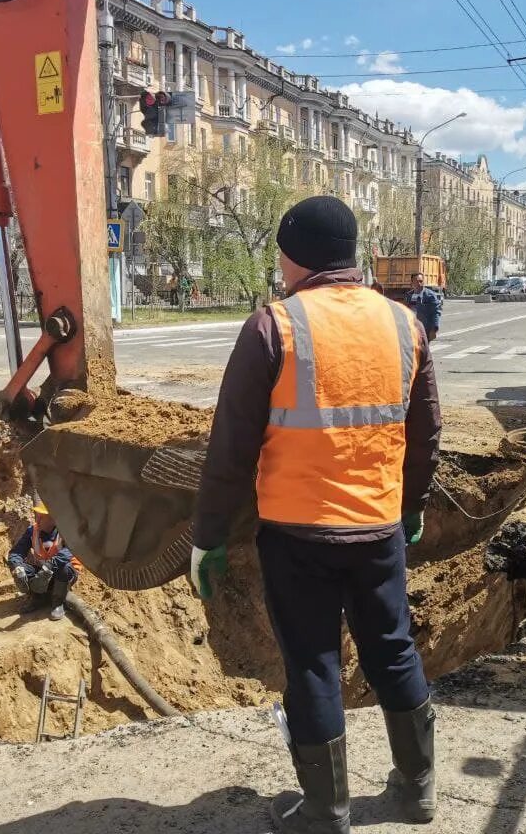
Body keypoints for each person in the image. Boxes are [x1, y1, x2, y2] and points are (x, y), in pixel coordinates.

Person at [190, 195, 442, 833]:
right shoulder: (403, 324)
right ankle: (417, 794)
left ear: (296, 256)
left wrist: (207, 537)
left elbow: (230, 448)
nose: (279, 264)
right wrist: (409, 507)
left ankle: (325, 813)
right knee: (393, 650)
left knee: (313, 663)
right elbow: (426, 431)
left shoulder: (273, 327)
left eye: (281, 252)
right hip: (378, 528)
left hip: (298, 535)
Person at [6, 503, 80, 621]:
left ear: (53, 518)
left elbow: (68, 553)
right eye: (37, 515)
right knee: (24, 569)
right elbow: (16, 552)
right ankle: (37, 598)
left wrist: (49, 566)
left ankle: (57, 603)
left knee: (65, 568)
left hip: (64, 574)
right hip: (43, 573)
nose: (38, 519)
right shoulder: (32, 531)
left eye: (42, 516)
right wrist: (17, 566)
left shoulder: (67, 532)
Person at [405, 272, 443, 342]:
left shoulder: (430, 295)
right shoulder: (409, 295)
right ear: (412, 283)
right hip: (411, 330)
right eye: (416, 281)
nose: (419, 284)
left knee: (422, 351)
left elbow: (436, 312)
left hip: (424, 331)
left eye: (421, 281)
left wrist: (434, 329)